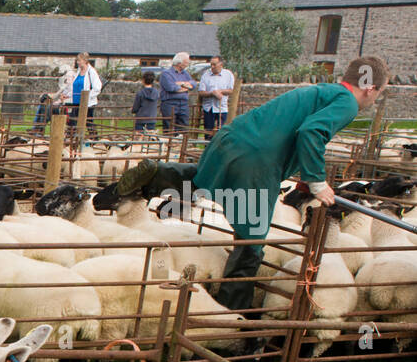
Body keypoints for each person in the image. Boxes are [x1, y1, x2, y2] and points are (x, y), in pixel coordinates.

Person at [114, 56, 389, 314]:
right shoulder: (347, 102)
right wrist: (317, 181)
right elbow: (312, 131)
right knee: (251, 243)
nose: (375, 99)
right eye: (378, 94)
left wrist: (304, 175)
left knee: (202, 182)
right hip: (257, 162)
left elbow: (296, 129)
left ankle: (156, 175)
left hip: (232, 138)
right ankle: (229, 318)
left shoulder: (322, 91)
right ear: (370, 88)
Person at [55, 52, 103, 137]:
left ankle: (94, 139)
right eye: (77, 60)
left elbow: (97, 88)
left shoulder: (91, 72)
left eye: (79, 60)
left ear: (85, 60)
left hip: (87, 103)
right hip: (76, 101)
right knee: (74, 121)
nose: (78, 62)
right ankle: (74, 139)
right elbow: (74, 86)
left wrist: (86, 96)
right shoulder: (78, 72)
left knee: (88, 122)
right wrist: (68, 95)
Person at [198, 55, 235, 138]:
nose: (212, 67)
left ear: (221, 64)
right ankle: (207, 147)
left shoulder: (228, 74)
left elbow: (230, 90)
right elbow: (201, 92)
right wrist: (212, 93)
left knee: (221, 131)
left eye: (214, 64)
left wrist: (220, 91)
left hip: (222, 107)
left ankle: (219, 148)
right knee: (208, 132)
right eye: (211, 64)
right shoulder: (206, 75)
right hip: (209, 107)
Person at [159, 52, 196, 133]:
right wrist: (185, 85)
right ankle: (169, 144)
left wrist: (180, 84)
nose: (188, 63)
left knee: (184, 126)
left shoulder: (185, 73)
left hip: (183, 104)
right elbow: (171, 88)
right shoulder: (166, 74)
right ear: (180, 63)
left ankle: (181, 144)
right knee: (169, 127)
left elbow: (193, 84)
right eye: (186, 62)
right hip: (170, 103)